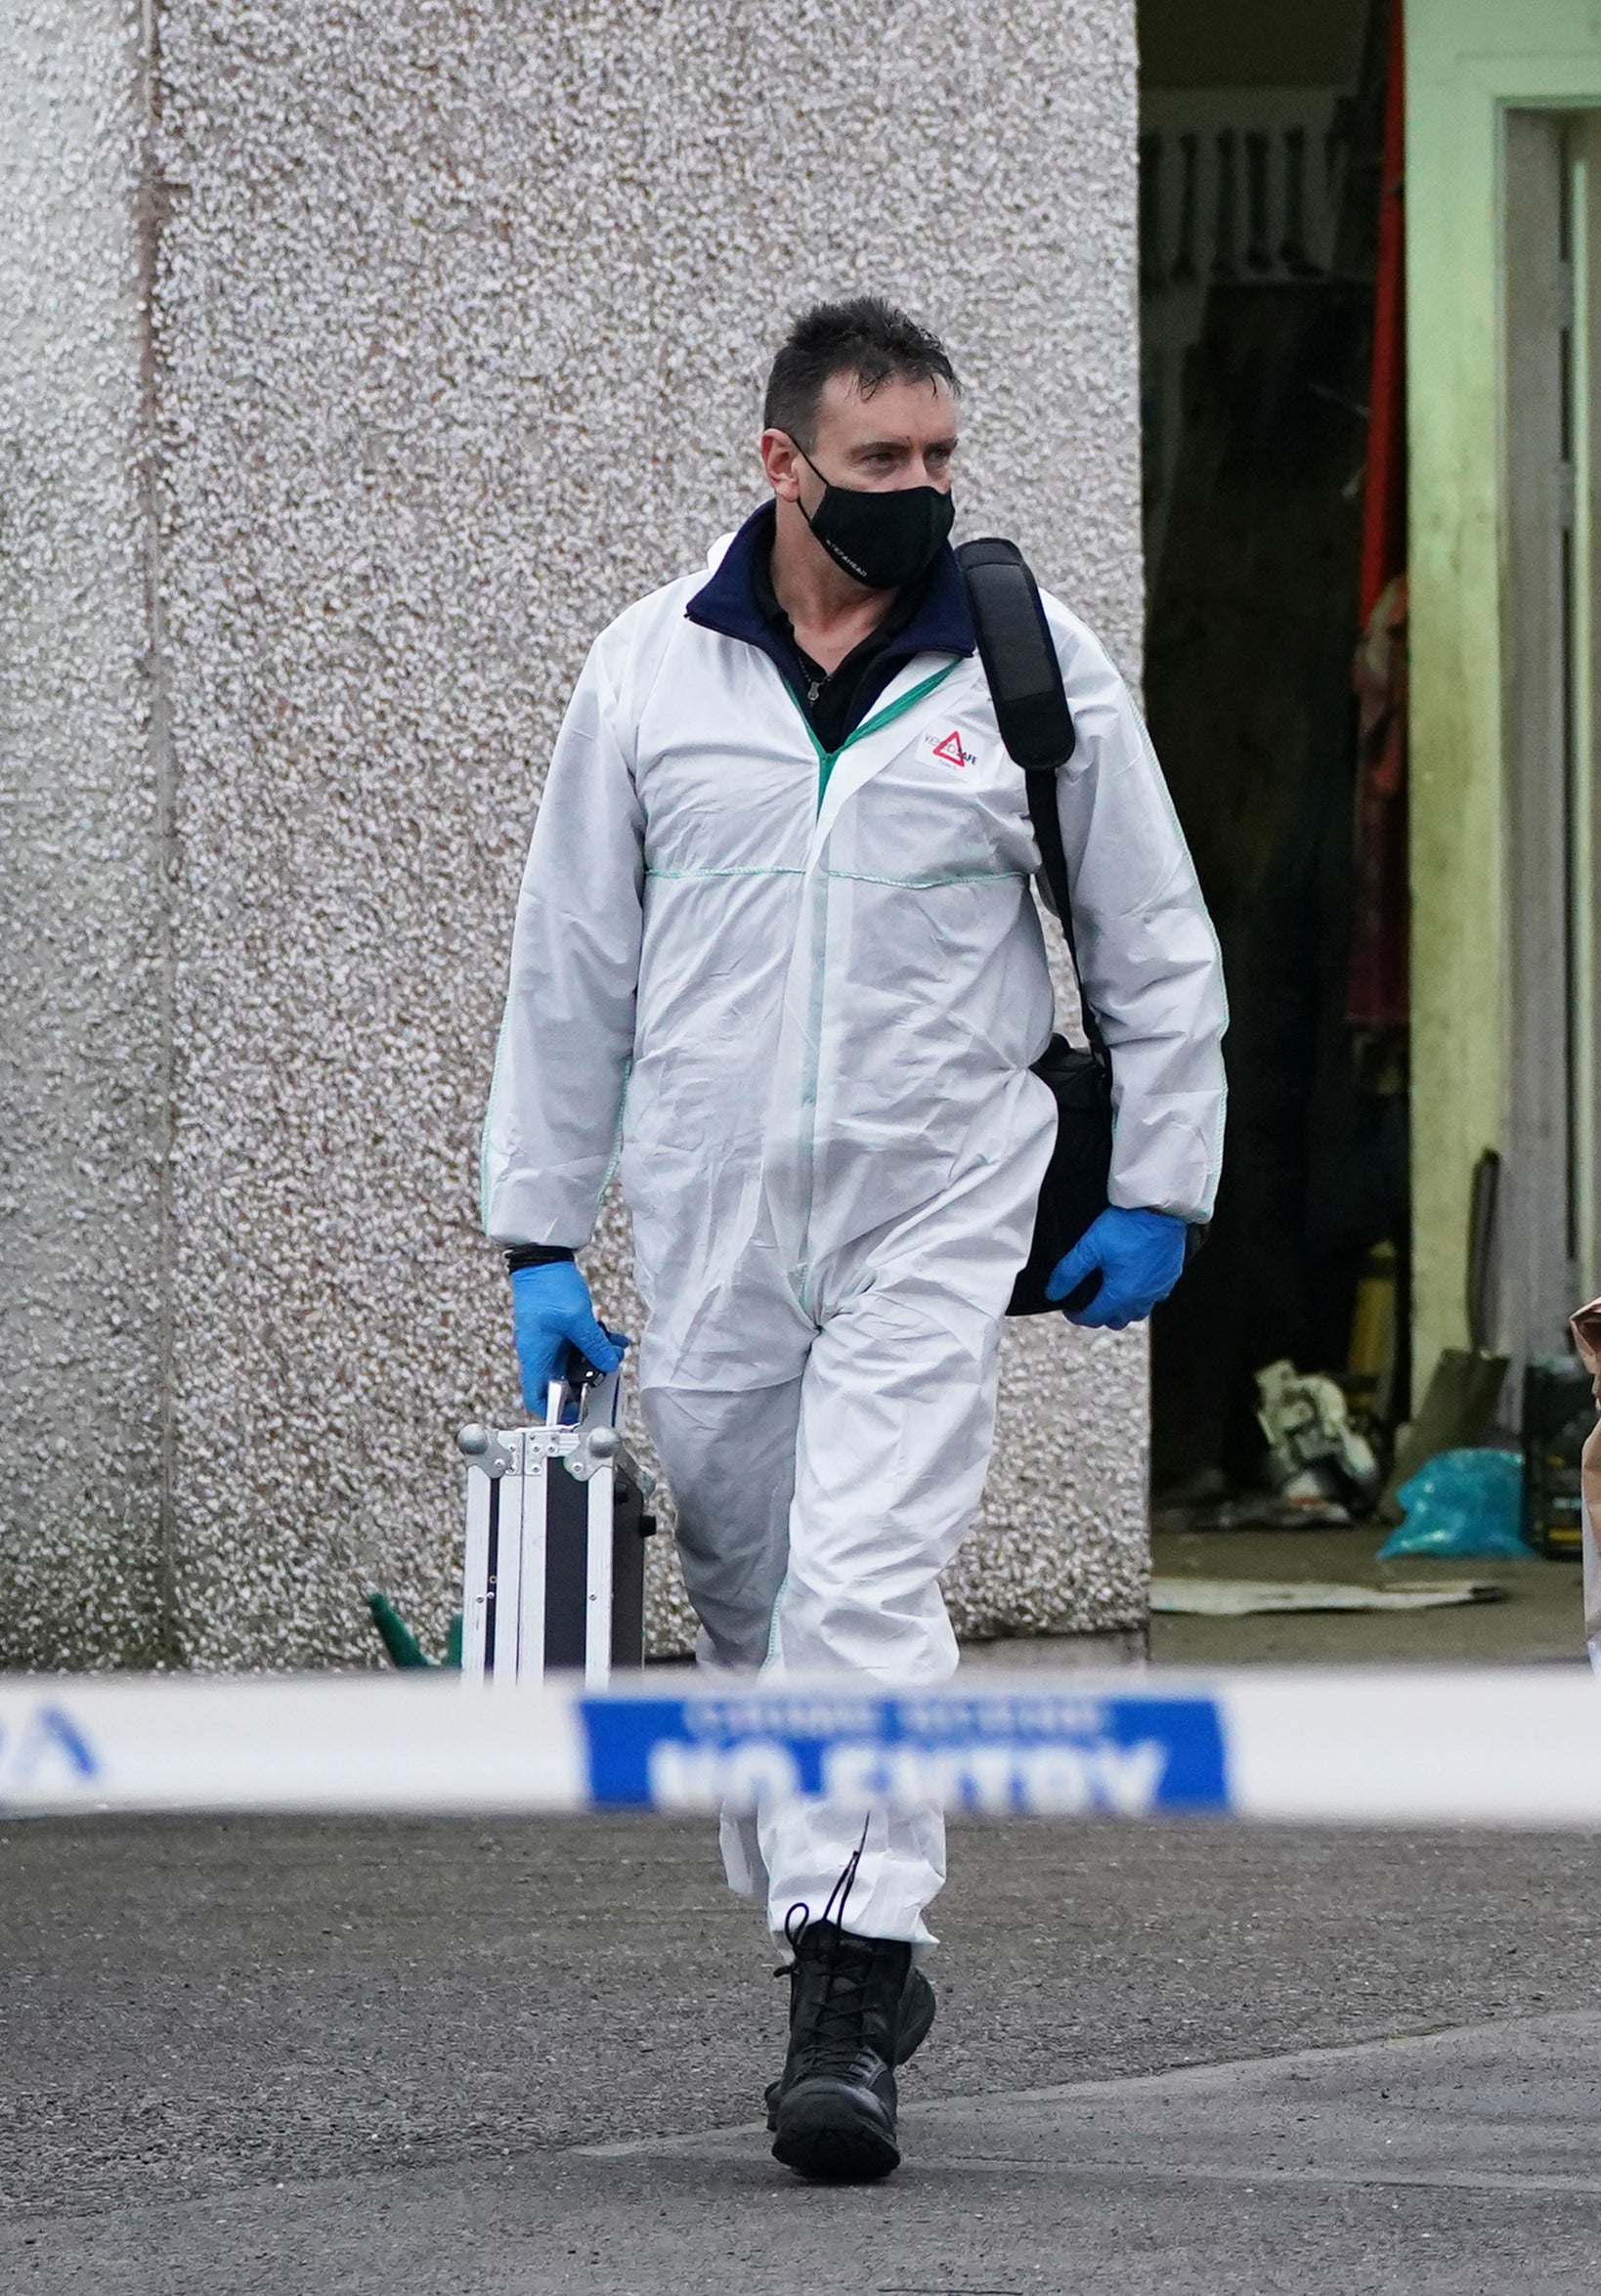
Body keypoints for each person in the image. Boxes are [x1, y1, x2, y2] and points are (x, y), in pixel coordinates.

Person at [478, 297, 1226, 2184]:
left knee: (866, 1576)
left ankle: (846, 1975)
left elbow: (1153, 939)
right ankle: (837, 1928)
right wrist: (539, 1236)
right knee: (745, 1597)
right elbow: (571, 966)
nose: (918, 491)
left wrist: (1160, 1185)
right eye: (880, 461)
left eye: (940, 459)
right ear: (782, 463)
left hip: (937, 1192)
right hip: (715, 1205)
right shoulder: (650, 672)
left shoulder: (1025, 666)